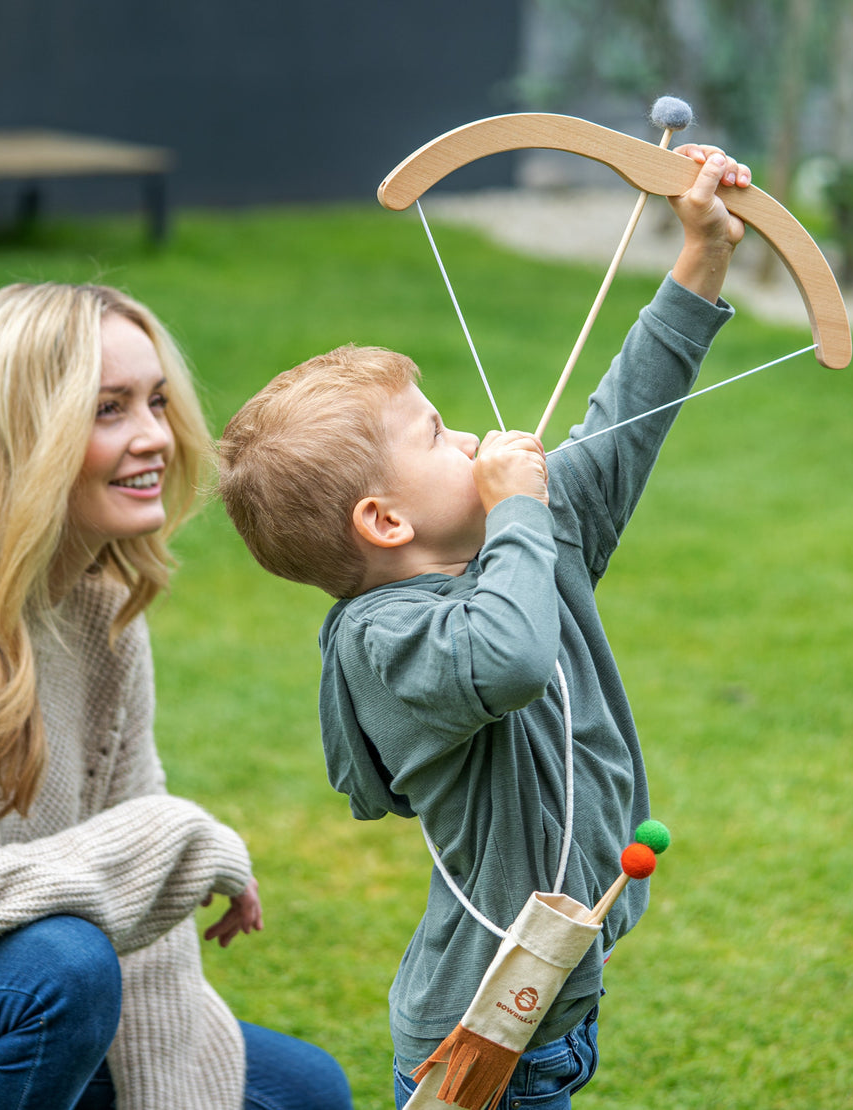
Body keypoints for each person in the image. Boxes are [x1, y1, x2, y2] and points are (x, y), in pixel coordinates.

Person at [218, 145, 752, 1108]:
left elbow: (626, 424)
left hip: (547, 1011)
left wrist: (702, 254)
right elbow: (509, 660)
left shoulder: (520, 555)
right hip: (478, 1038)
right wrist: (517, 514)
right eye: (436, 435)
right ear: (385, 522)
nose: (469, 438)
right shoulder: (385, 641)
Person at [0, 282, 354, 1110]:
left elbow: (139, 915)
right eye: (108, 409)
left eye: (158, 401)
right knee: (61, 969)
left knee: (302, 1091)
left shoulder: (101, 612)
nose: (155, 436)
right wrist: (173, 837)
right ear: (24, 431)